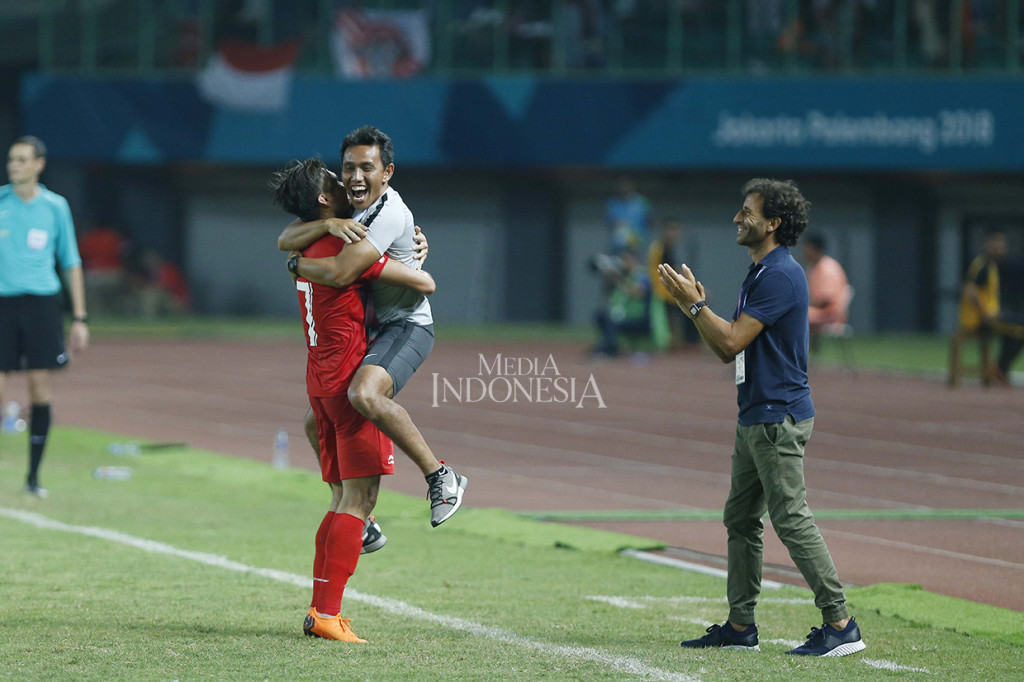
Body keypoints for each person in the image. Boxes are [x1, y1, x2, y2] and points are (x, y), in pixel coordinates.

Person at [658, 178, 865, 657]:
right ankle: (740, 626)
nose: (737, 218)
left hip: (776, 418)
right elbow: (727, 348)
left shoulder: (779, 274)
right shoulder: (761, 271)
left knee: (789, 518)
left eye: (747, 212)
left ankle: (841, 623)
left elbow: (731, 341)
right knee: (740, 518)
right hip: (756, 414)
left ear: (773, 223)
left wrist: (695, 305)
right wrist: (693, 308)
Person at [271, 157, 437, 642]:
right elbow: (423, 283)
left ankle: (319, 611)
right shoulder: (344, 250)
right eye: (336, 180)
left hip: (320, 387)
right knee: (359, 501)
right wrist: (410, 256)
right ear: (325, 199)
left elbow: (287, 241)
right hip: (350, 387)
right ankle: (328, 615)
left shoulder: (307, 241)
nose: (347, 183)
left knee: (343, 499)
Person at [277, 125, 467, 528]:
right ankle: (355, 513)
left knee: (363, 393)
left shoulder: (386, 213)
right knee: (315, 420)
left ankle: (440, 476)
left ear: (387, 172)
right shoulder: (350, 206)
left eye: (367, 167)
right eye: (348, 168)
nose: (355, 177)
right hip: (374, 328)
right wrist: (326, 226)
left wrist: (297, 265)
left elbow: (342, 273)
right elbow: (285, 236)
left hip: (406, 325)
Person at [0, 135, 89, 498]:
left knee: (39, 386)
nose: (14, 165)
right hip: (3, 303)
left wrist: (80, 318)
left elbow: (71, 261)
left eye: (22, 159)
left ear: (39, 164)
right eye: (11, 159)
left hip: (41, 305)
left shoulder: (55, 206)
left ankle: (33, 477)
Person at [949, 230, 1007, 386]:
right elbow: (970, 291)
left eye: (1002, 244)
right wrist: (985, 315)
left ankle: (996, 370)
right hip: (978, 320)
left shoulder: (990, 265)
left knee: (1015, 327)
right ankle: (1000, 369)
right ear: (988, 244)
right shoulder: (981, 266)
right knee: (1019, 329)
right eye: (997, 244)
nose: (1001, 248)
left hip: (985, 317)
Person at [591, 250, 652, 357]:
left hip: (639, 317)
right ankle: (604, 345)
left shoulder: (641, 274)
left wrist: (619, 280)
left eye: (626, 260)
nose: (623, 263)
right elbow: (608, 294)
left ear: (634, 260)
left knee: (613, 323)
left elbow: (638, 292)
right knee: (601, 316)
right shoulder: (626, 275)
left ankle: (610, 349)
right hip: (625, 315)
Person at [801, 232, 851, 348]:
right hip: (822, 313)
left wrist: (805, 308)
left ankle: (798, 354)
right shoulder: (813, 267)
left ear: (816, 249)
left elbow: (826, 302)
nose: (803, 251)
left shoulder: (826, 268)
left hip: (830, 315)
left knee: (794, 316)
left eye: (807, 248)